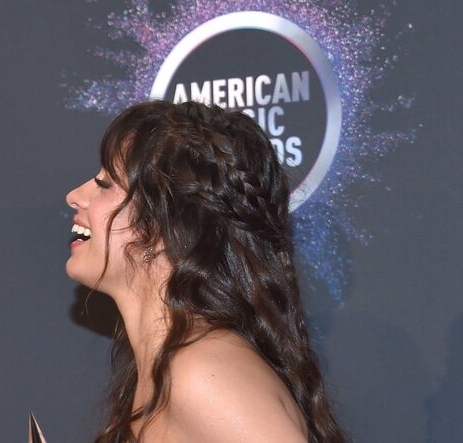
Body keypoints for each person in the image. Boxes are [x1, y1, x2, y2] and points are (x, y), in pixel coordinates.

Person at [65, 101, 346, 442]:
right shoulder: (171, 369)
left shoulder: (199, 372)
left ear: (169, 226)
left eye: (105, 184)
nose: (75, 196)